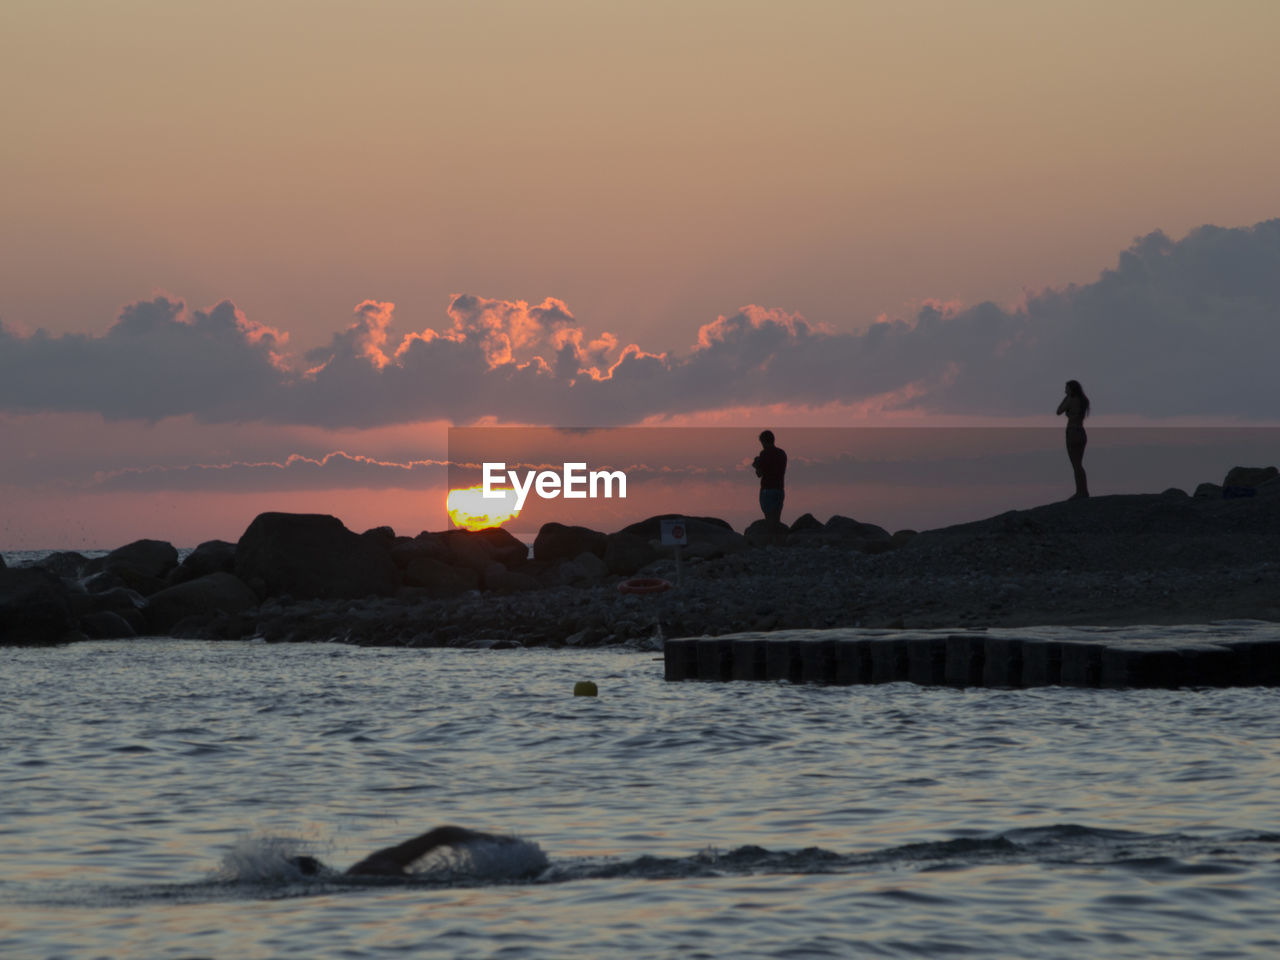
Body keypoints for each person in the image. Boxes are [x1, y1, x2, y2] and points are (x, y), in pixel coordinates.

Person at [289, 825, 513, 877]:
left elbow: (440, 835)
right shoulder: (374, 862)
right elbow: (442, 834)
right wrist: (497, 841)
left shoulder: (363, 872)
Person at [1056, 380, 1090, 499]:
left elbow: (1058, 411)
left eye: (1066, 388)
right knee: (1079, 464)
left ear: (1071, 389)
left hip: (1072, 433)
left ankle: (1080, 492)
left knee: (1076, 465)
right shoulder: (1083, 400)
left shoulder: (1070, 400)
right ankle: (1083, 490)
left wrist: (1066, 398)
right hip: (1081, 432)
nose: (1065, 390)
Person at [752, 430, 787, 525]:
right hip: (779, 489)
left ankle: (771, 538)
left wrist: (756, 465)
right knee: (776, 519)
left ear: (763, 441)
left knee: (769, 520)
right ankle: (777, 538)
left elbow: (760, 474)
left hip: (767, 490)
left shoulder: (764, 453)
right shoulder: (782, 453)